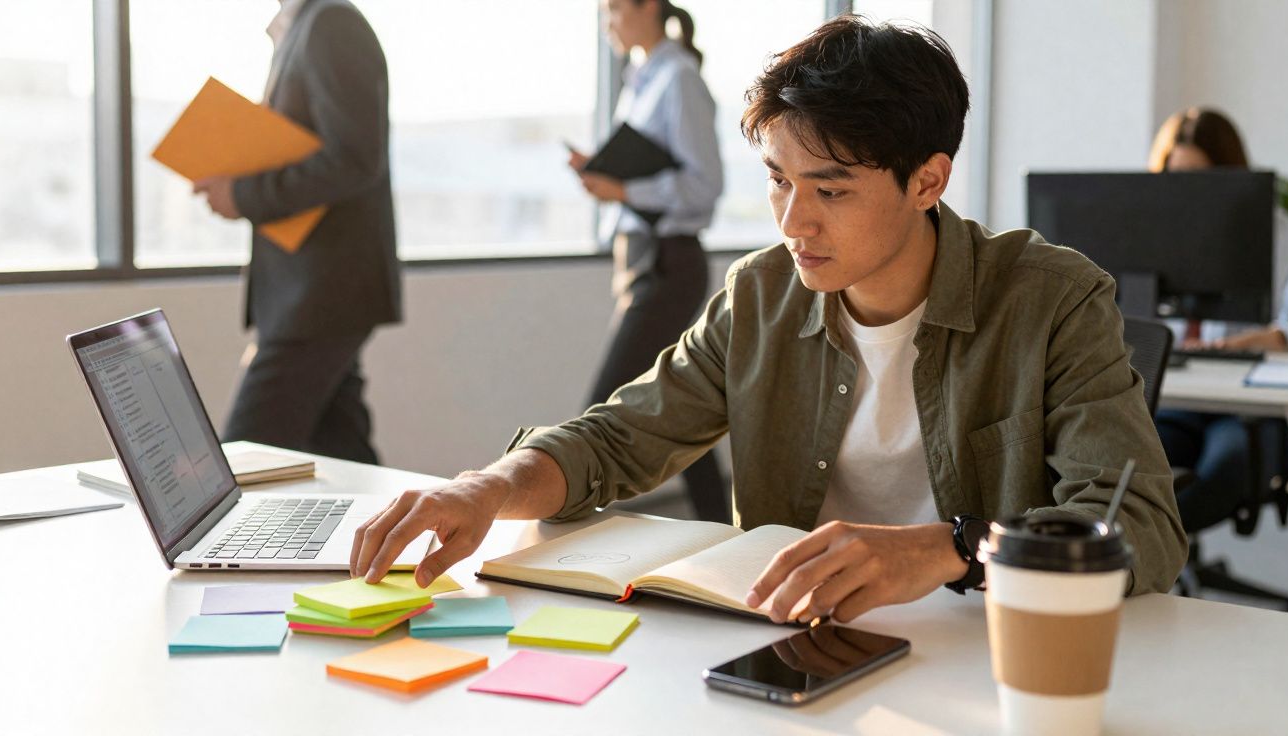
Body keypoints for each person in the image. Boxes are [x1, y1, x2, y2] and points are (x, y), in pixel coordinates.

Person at [352, 16, 1186, 624]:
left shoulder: (1053, 299)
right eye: (777, 181)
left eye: (829, 190)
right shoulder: (761, 295)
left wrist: (951, 549)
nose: (794, 222)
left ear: (928, 181)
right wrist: (484, 487)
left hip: (997, 650)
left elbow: (1140, 528)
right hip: (804, 640)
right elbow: (617, 439)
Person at [193, 0, 401, 465]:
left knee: (245, 456)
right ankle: (396, 533)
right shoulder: (304, 25)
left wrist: (244, 195)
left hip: (321, 291)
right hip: (308, 288)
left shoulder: (332, 24)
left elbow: (354, 159)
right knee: (343, 454)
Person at [566, 0, 728, 523]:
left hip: (669, 262)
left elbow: (705, 185)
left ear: (649, 7)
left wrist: (623, 188)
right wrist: (607, 178)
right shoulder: (643, 76)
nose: (605, 20)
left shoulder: (679, 77)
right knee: (677, 407)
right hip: (640, 260)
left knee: (601, 408)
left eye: (614, 8)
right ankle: (724, 529)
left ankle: (567, 532)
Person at [1149, 107, 1288, 533]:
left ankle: (1140, 560)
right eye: (1173, 177)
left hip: (1245, 410)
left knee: (1225, 467)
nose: (1187, 192)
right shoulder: (1153, 235)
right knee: (1126, 467)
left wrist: (1240, 344)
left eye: (1200, 176)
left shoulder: (1283, 236)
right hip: (1175, 400)